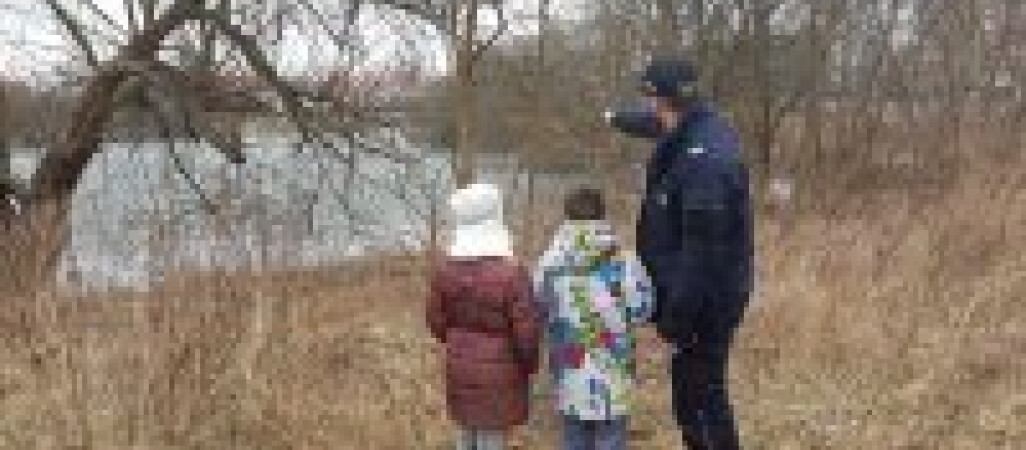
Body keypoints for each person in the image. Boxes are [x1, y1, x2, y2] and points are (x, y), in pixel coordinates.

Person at [606, 57, 755, 449]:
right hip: (701, 296)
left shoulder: (705, 165)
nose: (649, 108)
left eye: (651, 99)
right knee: (695, 393)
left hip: (705, 303)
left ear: (664, 99)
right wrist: (613, 118)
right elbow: (652, 123)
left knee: (700, 400)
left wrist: (674, 322)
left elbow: (702, 257)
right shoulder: (694, 124)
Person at [532, 187, 655, 450]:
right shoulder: (625, 260)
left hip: (569, 367)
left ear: (567, 215)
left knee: (574, 439)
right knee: (611, 439)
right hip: (614, 367)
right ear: (602, 215)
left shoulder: (549, 262)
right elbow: (642, 309)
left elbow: (537, 308)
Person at [427, 183, 541, 450]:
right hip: (501, 368)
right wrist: (529, 365)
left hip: (459, 363)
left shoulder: (445, 271)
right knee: (491, 437)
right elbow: (526, 333)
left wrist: (459, 341)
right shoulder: (512, 274)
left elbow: (435, 320)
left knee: (465, 432)